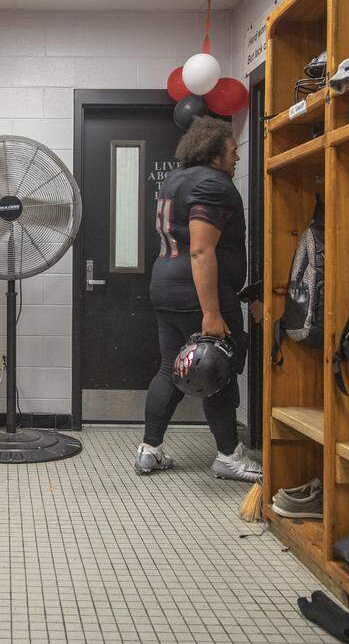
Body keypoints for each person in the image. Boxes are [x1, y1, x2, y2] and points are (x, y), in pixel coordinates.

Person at [135, 116, 262, 482]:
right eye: (233, 151)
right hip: (199, 294)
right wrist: (211, 312)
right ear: (215, 153)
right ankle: (228, 456)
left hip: (166, 286)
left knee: (169, 368)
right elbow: (202, 251)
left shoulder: (175, 180)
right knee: (216, 370)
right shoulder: (213, 184)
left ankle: (149, 449)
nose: (237, 158)